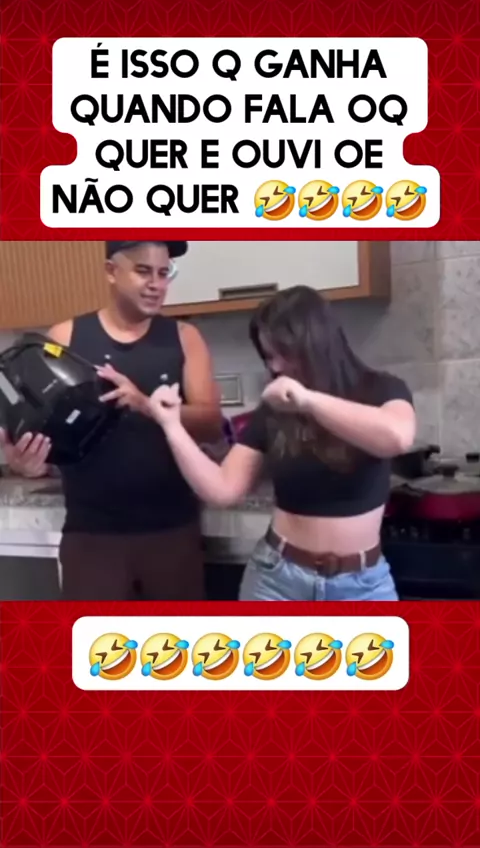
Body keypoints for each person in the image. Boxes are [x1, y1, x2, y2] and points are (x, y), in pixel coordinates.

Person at [148, 285, 416, 602]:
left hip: (363, 586)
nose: (274, 367)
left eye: (282, 354)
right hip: (276, 583)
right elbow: (222, 489)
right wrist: (171, 425)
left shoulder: (381, 389)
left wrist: (308, 401)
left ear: (315, 344)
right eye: (268, 356)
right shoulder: (275, 410)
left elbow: (397, 437)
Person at [0, 241, 222, 600]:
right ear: (110, 272)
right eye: (143, 271)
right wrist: (25, 463)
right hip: (91, 536)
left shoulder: (184, 338)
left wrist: (145, 404)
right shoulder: (65, 337)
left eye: (164, 273)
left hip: (172, 532)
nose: (156, 284)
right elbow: (37, 427)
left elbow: (211, 423)